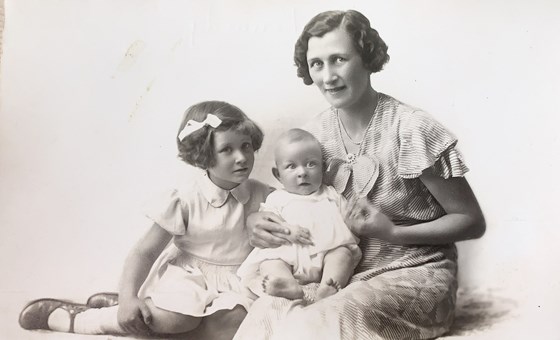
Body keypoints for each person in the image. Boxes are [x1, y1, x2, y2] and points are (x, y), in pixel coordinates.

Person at [234, 9, 486, 340]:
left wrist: (393, 232)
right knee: (269, 311)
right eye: (317, 64)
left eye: (339, 59)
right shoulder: (314, 135)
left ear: (367, 58)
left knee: (325, 320)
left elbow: (471, 221)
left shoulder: (410, 129)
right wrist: (257, 222)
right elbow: (294, 199)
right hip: (338, 274)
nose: (327, 77)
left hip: (415, 274)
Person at [19, 100, 272, 340]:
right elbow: (144, 252)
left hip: (237, 282)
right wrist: (128, 296)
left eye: (246, 146)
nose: (241, 157)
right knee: (176, 319)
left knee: (238, 324)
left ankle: (143, 320)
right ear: (203, 154)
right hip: (188, 279)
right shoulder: (186, 199)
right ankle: (88, 319)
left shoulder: (265, 196)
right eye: (227, 149)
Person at [237, 128, 362, 302]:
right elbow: (269, 221)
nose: (302, 172)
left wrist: (355, 218)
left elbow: (350, 222)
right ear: (278, 175)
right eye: (291, 166)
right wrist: (287, 229)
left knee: (342, 254)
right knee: (270, 261)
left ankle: (328, 285)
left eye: (311, 164)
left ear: (323, 167)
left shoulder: (331, 194)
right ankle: (287, 284)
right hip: (289, 256)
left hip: (327, 253)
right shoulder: (277, 198)